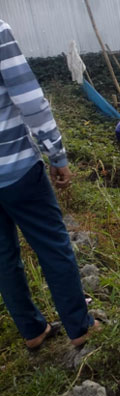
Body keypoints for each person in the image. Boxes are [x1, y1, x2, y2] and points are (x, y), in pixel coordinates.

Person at [0, 19, 98, 350]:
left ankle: (32, 331)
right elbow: (30, 101)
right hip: (16, 169)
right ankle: (79, 325)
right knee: (53, 245)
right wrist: (57, 154)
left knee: (2, 257)